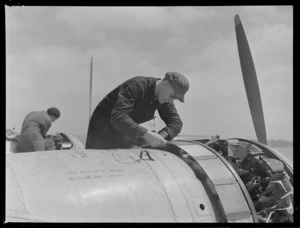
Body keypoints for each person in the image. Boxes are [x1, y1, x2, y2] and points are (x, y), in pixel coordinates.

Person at [86, 71, 190, 149]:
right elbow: (118, 117)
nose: (171, 101)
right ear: (166, 84)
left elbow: (176, 123)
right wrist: (148, 135)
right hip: (102, 131)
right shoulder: (136, 86)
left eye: (174, 99)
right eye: (172, 96)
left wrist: (160, 136)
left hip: (124, 133)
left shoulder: (164, 97)